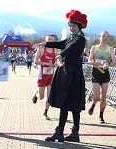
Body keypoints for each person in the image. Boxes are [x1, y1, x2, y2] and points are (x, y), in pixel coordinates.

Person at [37, 10, 87, 142]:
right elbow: (61, 43)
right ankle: (64, 132)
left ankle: (70, 132)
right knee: (67, 102)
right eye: (70, 25)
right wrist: (46, 44)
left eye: (74, 26)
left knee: (72, 104)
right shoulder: (72, 37)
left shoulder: (80, 39)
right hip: (67, 72)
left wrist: (61, 55)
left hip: (73, 74)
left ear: (79, 26)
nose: (71, 28)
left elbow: (69, 49)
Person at [87, 31, 116, 123]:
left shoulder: (110, 49)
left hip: (105, 74)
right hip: (96, 73)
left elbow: (114, 63)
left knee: (103, 97)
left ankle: (101, 115)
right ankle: (93, 104)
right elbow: (89, 61)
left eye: (107, 36)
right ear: (99, 37)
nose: (105, 38)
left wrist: (108, 64)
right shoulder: (94, 48)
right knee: (96, 97)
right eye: (103, 36)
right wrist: (99, 63)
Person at [32, 34, 58, 120]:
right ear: (45, 40)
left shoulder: (55, 50)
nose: (50, 41)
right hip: (42, 75)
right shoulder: (41, 49)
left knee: (49, 95)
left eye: (52, 39)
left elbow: (58, 61)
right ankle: (36, 94)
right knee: (42, 96)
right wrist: (46, 64)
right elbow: (35, 61)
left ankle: (45, 112)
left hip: (51, 75)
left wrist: (57, 64)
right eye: (48, 39)